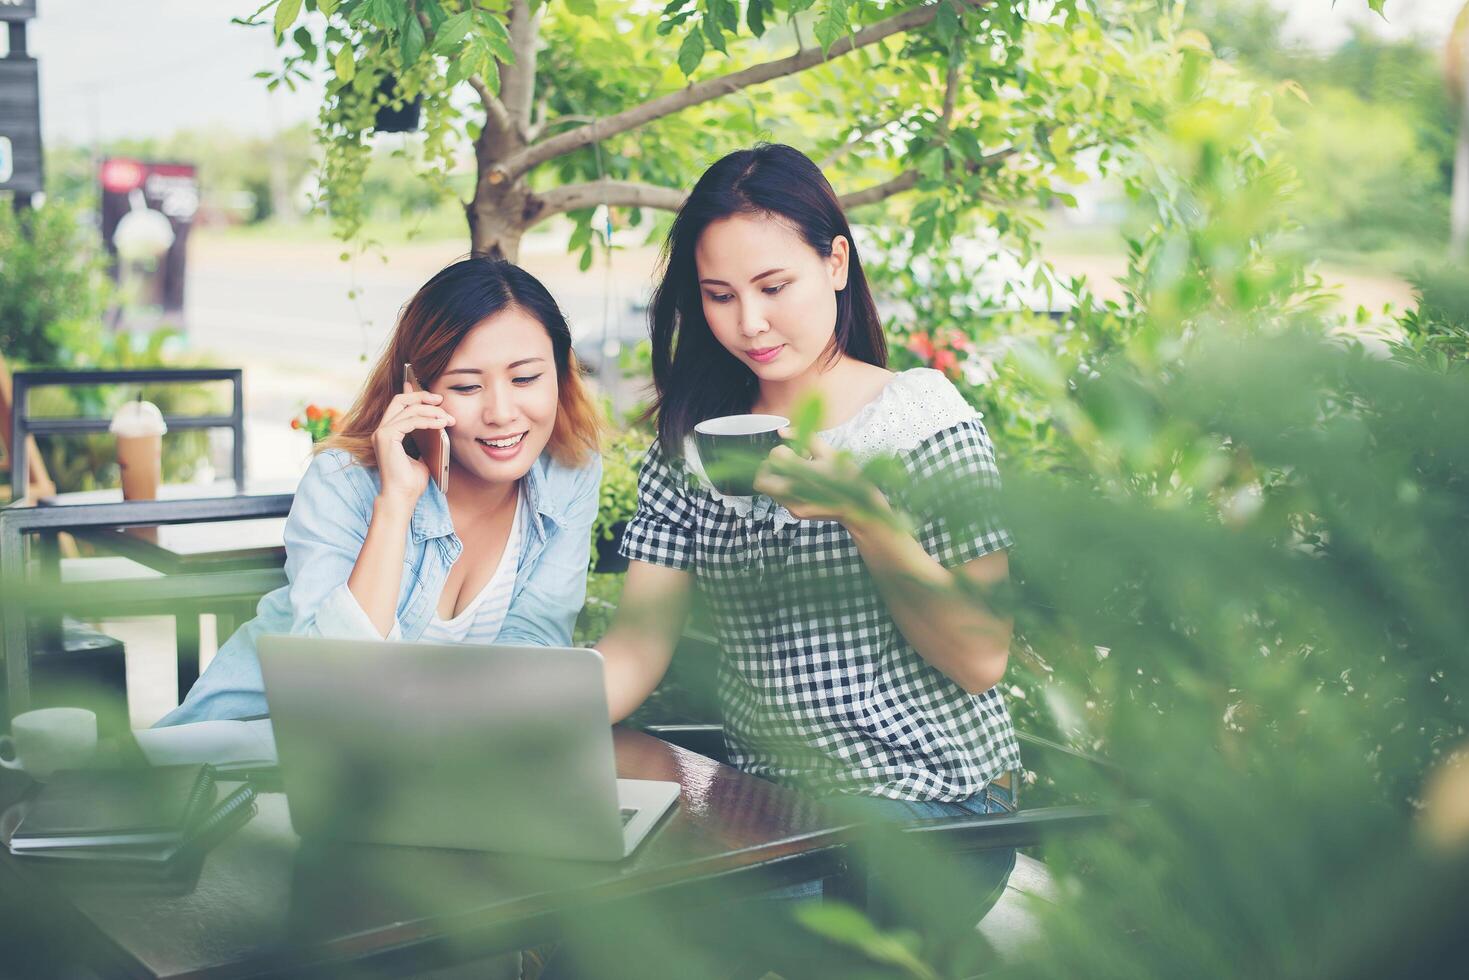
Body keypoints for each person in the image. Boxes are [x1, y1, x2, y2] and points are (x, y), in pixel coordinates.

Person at [594, 144, 1022, 927]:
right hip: (771, 814)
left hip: (937, 811)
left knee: (673, 933)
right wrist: (520, 717)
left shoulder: (922, 421)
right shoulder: (690, 445)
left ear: (834, 262)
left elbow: (980, 658)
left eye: (772, 286)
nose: (748, 322)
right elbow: (634, 650)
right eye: (718, 295)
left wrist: (866, 514)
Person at [161, 257, 602, 725]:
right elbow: (335, 687)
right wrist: (394, 506)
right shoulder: (342, 481)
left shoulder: (567, 475)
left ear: (560, 372)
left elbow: (532, 650)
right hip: (241, 751)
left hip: (408, 771)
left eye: (526, 378)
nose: (500, 412)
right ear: (415, 389)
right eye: (467, 386)